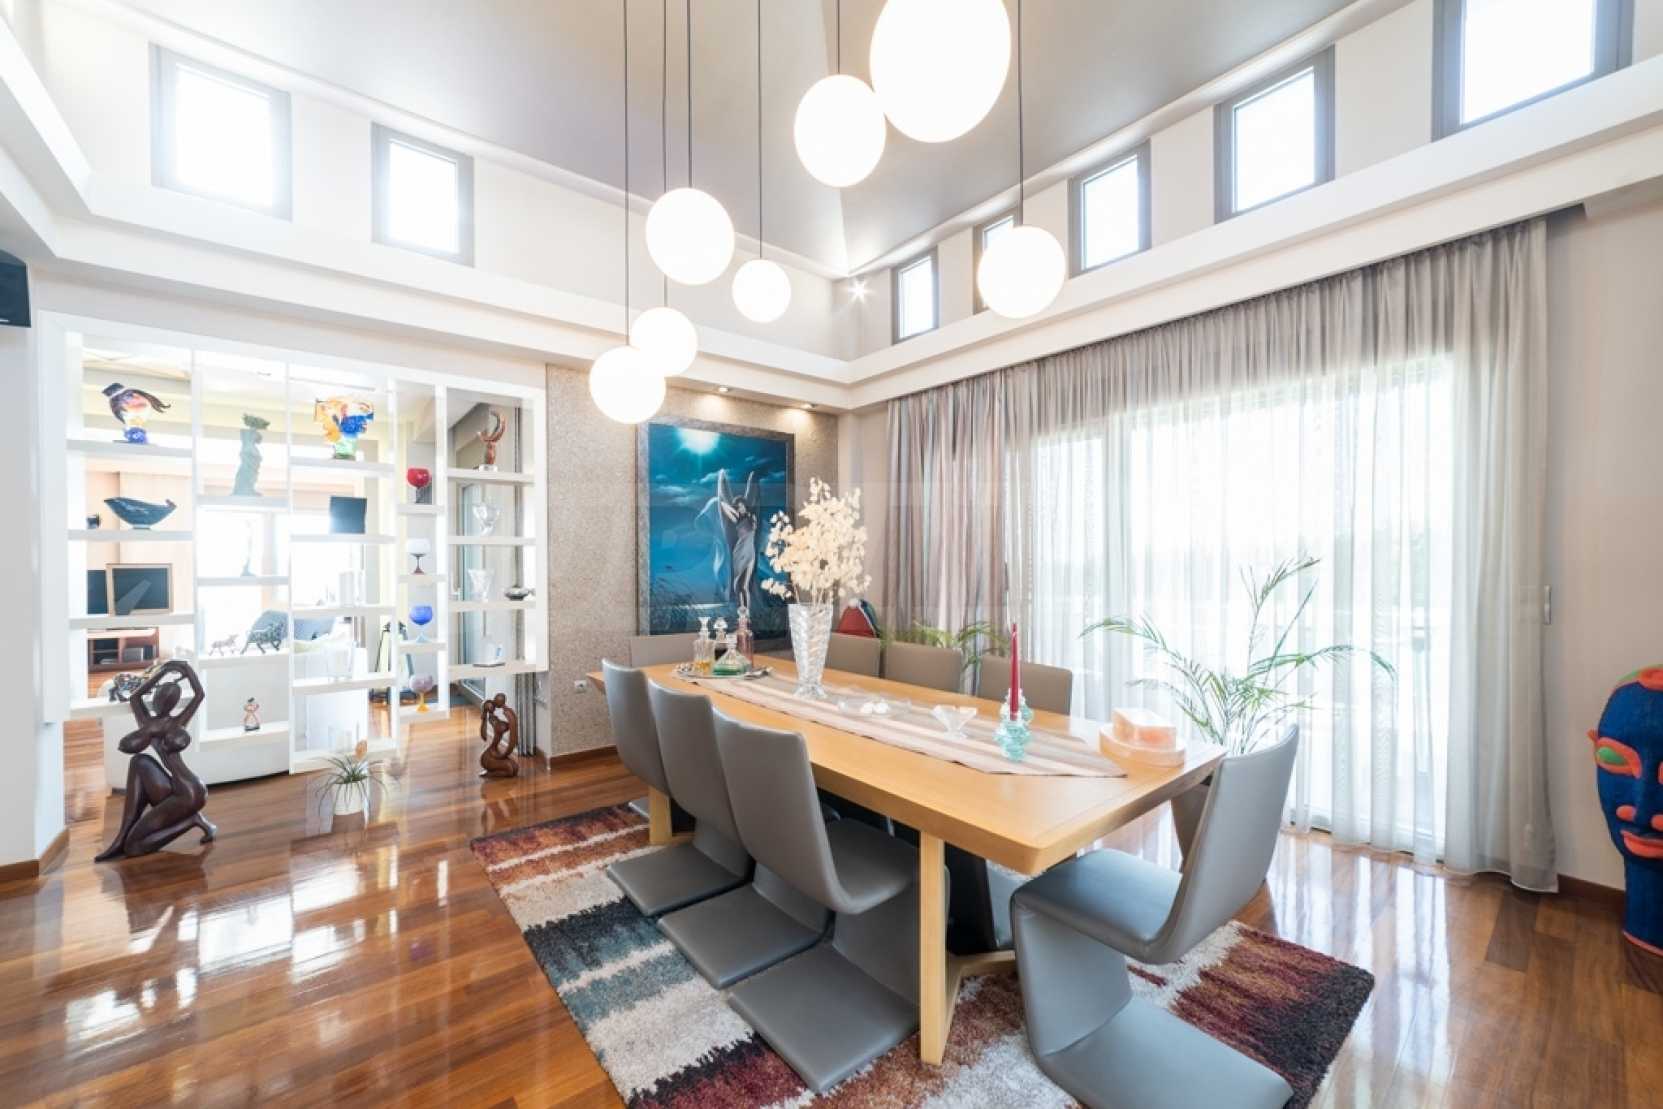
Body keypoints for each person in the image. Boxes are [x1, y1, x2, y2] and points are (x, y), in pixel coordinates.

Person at [96, 660, 216, 860]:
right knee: (139, 761)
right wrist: (165, 671)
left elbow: (199, 695)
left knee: (134, 848)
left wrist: (179, 670)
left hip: (189, 792)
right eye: (162, 696)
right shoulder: (152, 723)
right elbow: (136, 697)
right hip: (178, 787)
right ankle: (120, 838)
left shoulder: (173, 721)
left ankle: (192, 821)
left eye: (167, 698)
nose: (163, 701)